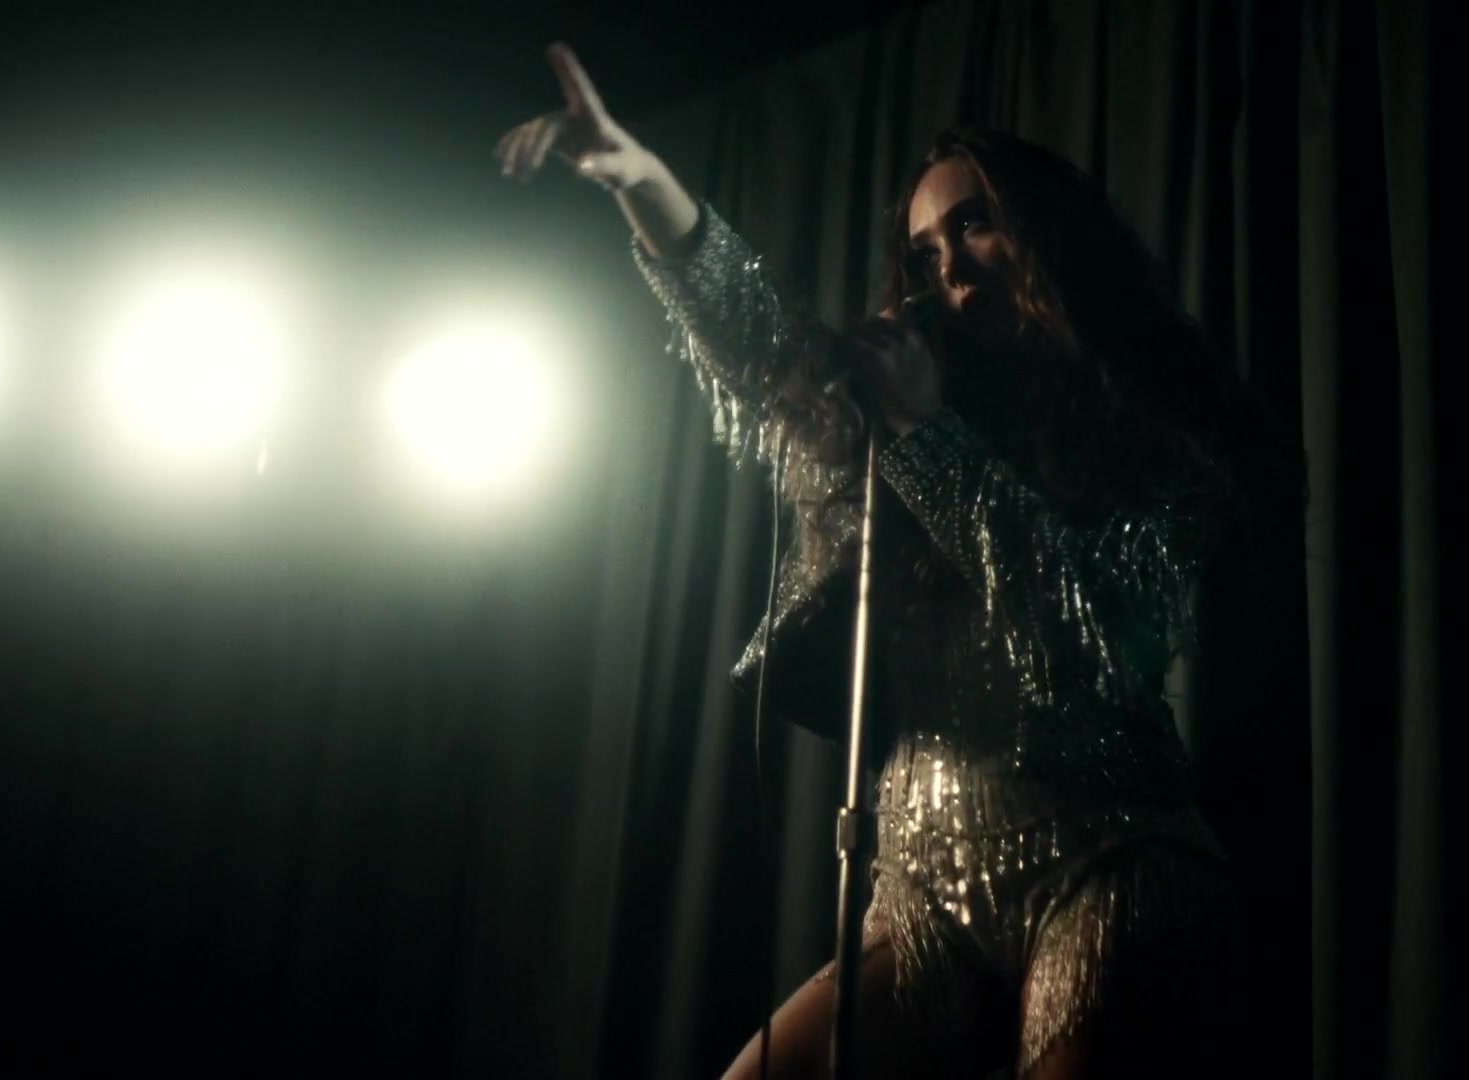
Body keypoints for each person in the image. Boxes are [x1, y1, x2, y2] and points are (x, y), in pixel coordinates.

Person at [498, 42, 1299, 1080]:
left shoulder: (1155, 417)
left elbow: (1090, 637)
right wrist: (639, 176)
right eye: (921, 251)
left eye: (975, 223)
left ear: (1047, 234)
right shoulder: (886, 410)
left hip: (1110, 863)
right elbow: (755, 334)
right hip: (921, 886)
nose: (948, 265)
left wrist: (926, 436)